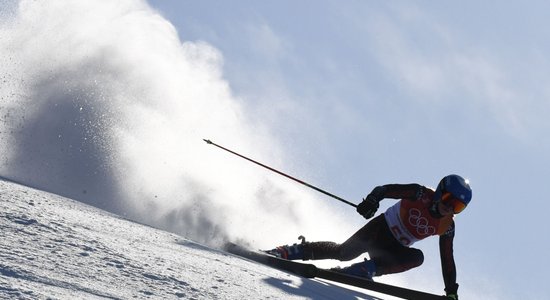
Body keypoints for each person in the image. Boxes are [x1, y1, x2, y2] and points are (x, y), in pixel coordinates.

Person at [268, 174, 472, 300]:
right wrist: (372, 201)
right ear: (439, 191)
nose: (449, 207)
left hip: (392, 249)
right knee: (344, 252)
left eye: (458, 207)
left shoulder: (447, 226)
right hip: (380, 230)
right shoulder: (420, 193)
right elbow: (385, 190)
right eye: (448, 199)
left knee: (417, 257)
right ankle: (288, 251)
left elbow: (447, 260)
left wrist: (451, 291)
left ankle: (364, 270)